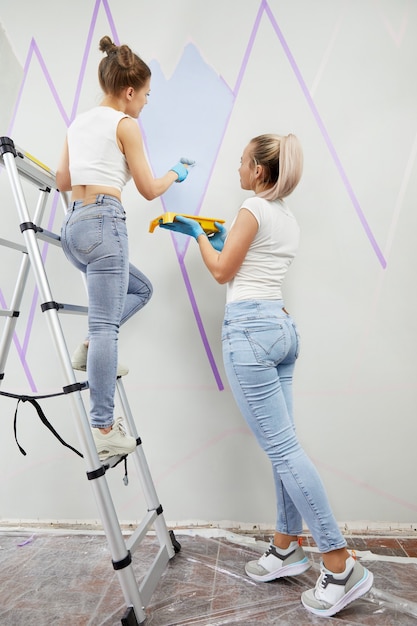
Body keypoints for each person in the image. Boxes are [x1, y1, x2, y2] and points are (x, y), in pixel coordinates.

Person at [159, 133, 373, 617]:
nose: (237, 170)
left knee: (284, 450)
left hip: (251, 332)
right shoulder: (287, 218)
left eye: (241, 163)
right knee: (284, 445)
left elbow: (221, 272)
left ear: (259, 170)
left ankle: (340, 565)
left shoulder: (252, 208)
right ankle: (285, 546)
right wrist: (222, 242)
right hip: (281, 328)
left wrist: (198, 237)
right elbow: (247, 264)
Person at [56, 35, 193, 461]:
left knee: (140, 290)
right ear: (129, 90)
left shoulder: (77, 123)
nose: (146, 103)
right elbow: (151, 189)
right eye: (147, 94)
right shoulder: (126, 124)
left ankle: (88, 351)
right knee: (105, 328)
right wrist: (175, 172)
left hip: (73, 228)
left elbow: (63, 180)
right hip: (104, 224)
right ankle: (103, 427)